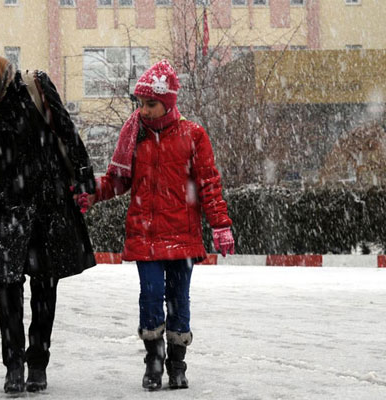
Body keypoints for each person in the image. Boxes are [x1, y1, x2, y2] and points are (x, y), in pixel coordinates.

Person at [78, 60, 235, 391]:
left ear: (169, 102)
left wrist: (220, 224)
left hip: (183, 235)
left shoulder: (194, 135)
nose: (144, 111)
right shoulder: (135, 136)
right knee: (150, 296)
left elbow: (209, 184)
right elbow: (118, 180)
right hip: (146, 235)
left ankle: (177, 364)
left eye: (151, 104)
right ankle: (153, 359)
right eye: (141, 104)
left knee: (179, 299)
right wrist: (93, 194)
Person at [0, 49, 96, 394]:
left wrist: (84, 176)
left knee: (44, 289)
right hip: (7, 208)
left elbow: (66, 130)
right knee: (7, 290)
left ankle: (37, 363)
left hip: (48, 204)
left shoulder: (35, 87)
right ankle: (13, 365)